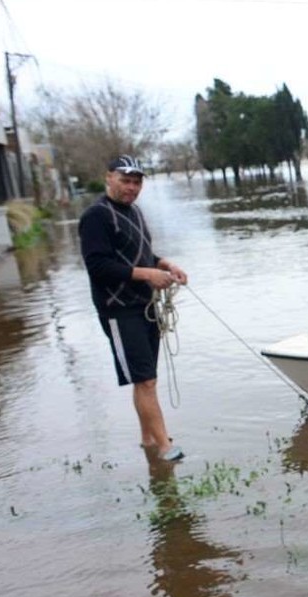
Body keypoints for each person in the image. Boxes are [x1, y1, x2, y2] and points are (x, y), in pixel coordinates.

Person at [79, 155, 188, 462]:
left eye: (136, 182)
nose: (131, 187)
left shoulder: (134, 212)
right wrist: (147, 274)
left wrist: (164, 265)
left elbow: (139, 253)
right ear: (108, 178)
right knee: (145, 380)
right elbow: (98, 266)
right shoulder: (96, 216)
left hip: (144, 305)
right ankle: (165, 446)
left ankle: (148, 439)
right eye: (125, 180)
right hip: (118, 309)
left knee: (146, 377)